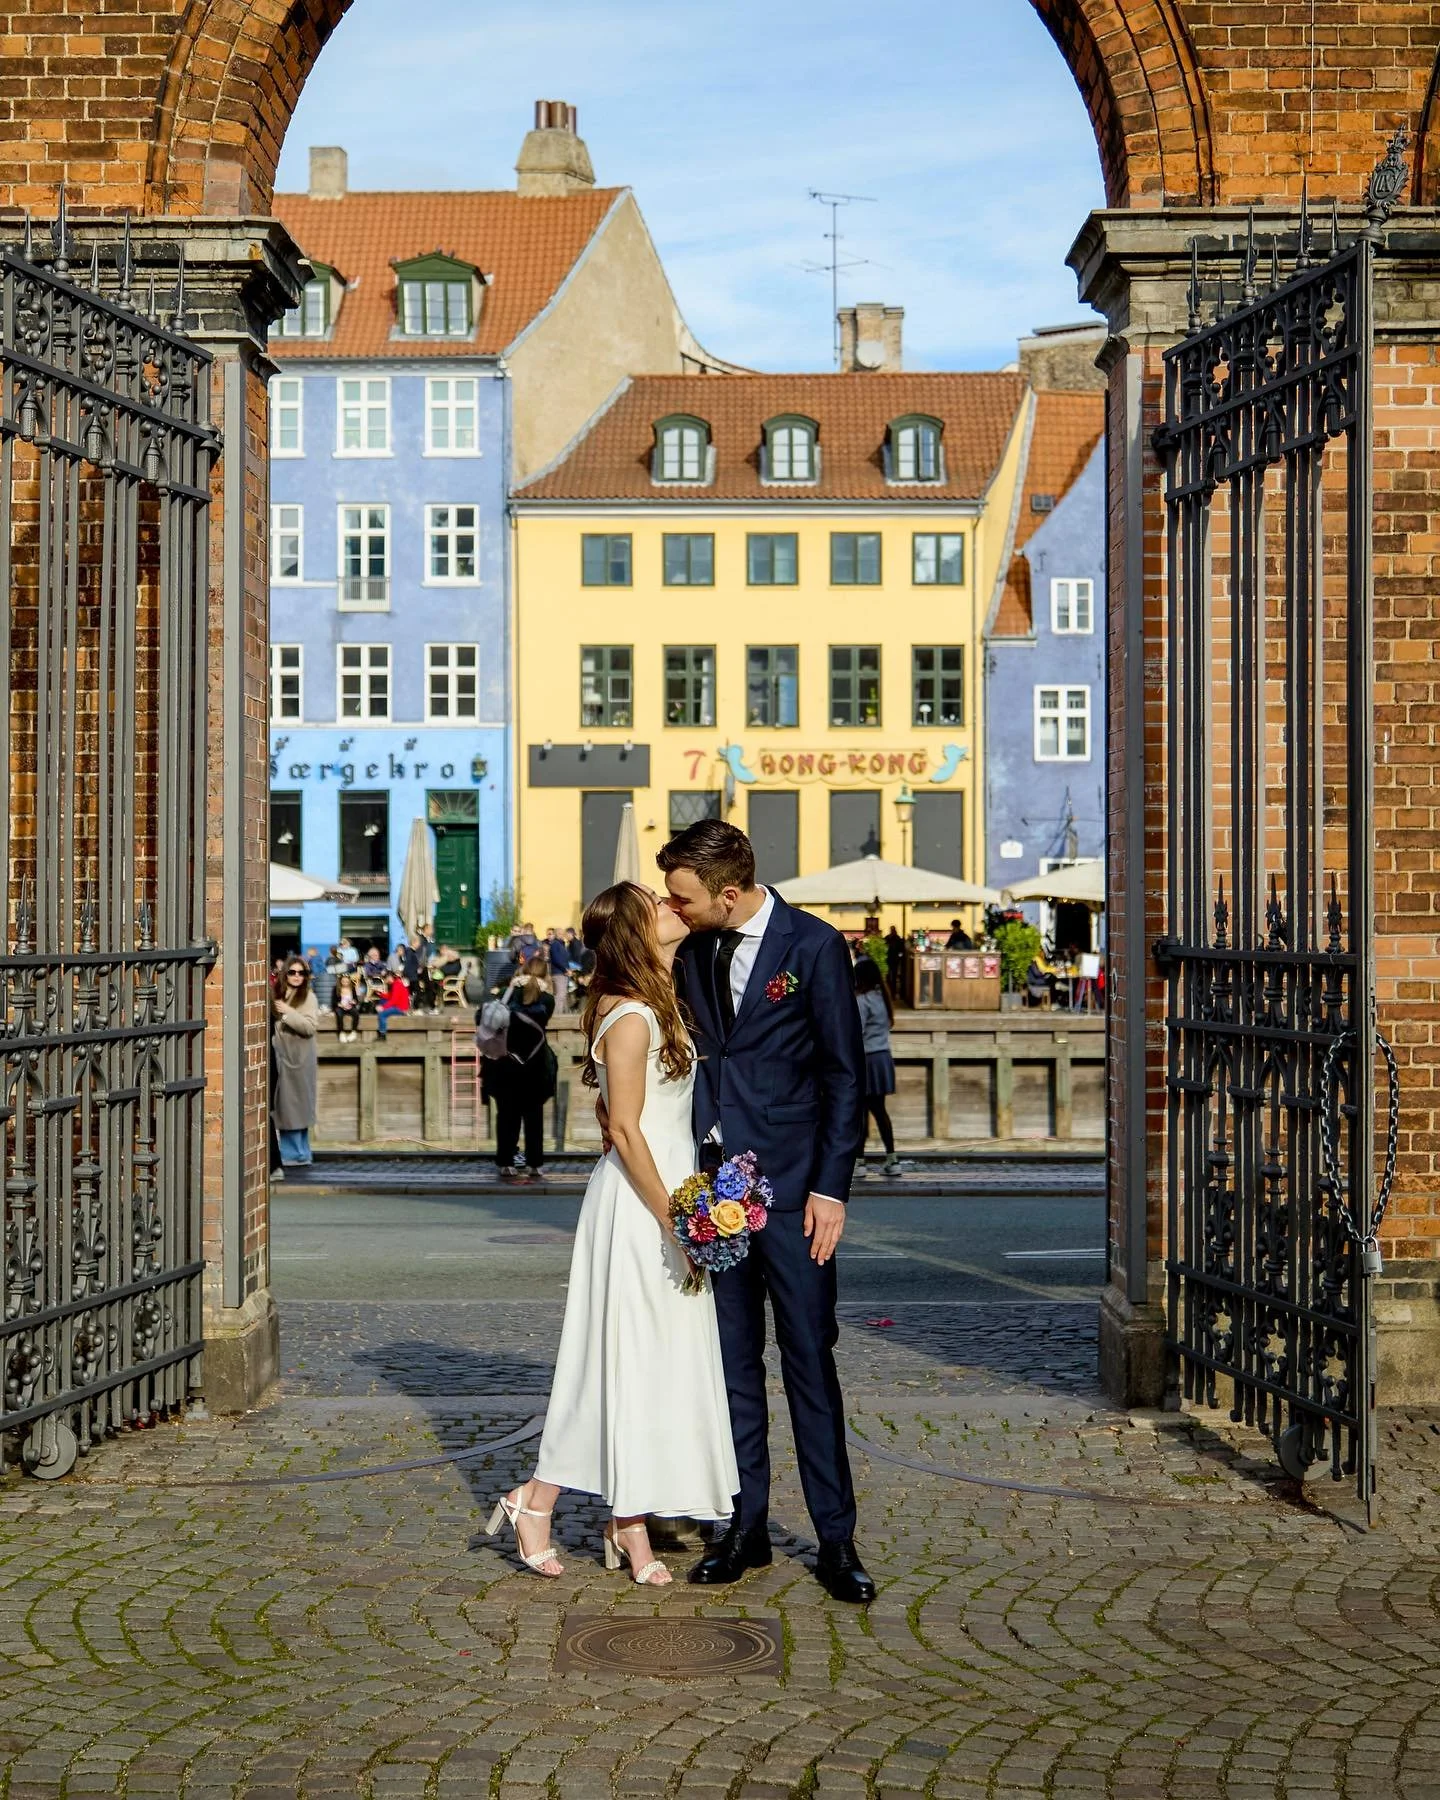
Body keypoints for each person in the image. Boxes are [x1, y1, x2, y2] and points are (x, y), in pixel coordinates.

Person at [488, 882, 737, 1583]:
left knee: (652, 1363)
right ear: (635, 930)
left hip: (663, 1193)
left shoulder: (655, 1000)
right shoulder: (630, 1015)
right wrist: (678, 1223)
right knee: (620, 1360)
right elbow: (625, 1129)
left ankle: (628, 1522)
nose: (672, 906)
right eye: (659, 903)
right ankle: (538, 1501)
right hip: (640, 1206)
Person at [656, 819, 876, 1605]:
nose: (673, 908)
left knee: (810, 1362)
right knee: (732, 1366)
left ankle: (837, 1539)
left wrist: (831, 1189)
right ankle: (745, 1527)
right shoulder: (695, 946)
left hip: (794, 1193)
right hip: (717, 1191)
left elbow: (845, 1077)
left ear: (728, 891)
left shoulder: (813, 947)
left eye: (683, 897)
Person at [482, 955, 557, 1182]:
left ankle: (506, 1162)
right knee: (534, 1118)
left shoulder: (511, 994)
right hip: (535, 1065)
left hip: (506, 1063)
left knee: (507, 1116)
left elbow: (493, 1016)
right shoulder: (547, 1000)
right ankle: (534, 1163)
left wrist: (510, 987)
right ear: (545, 974)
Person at [853, 957, 902, 1178]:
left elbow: (856, 1031)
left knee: (860, 1112)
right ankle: (892, 1158)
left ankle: (859, 1161)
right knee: (880, 1111)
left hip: (865, 1059)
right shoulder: (883, 997)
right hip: (882, 1056)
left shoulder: (862, 1001)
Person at [271, 958, 319, 1166]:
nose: (297, 976)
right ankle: (295, 1152)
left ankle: (297, 1153)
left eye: (301, 973)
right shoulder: (277, 994)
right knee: (284, 1106)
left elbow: (309, 1027)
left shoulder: (308, 997)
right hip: (281, 1057)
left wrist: (287, 1013)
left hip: (300, 1059)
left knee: (297, 1106)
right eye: (292, 972)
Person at [373, 970, 411, 1037]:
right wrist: (381, 994)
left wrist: (383, 1008)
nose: (385, 980)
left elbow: (393, 1000)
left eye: (385, 978)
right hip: (399, 1006)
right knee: (382, 1001)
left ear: (389, 977)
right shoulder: (396, 983)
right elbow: (390, 996)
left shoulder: (396, 985)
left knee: (382, 1014)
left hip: (401, 1008)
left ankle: (382, 1034)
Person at [547, 926, 571, 1013]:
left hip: (563, 973)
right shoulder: (555, 944)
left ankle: (562, 1014)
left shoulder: (562, 944)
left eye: (562, 933)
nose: (562, 935)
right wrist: (565, 969)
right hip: (558, 973)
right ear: (556, 934)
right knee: (560, 996)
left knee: (562, 995)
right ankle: (556, 1016)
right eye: (559, 933)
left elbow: (565, 959)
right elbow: (557, 959)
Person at [333, 971, 361, 1042]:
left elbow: (356, 1000)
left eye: (347, 982)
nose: (345, 983)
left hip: (350, 1006)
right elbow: (334, 1001)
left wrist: (353, 1002)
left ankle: (353, 1032)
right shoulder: (336, 988)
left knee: (356, 1013)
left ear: (349, 981)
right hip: (340, 1007)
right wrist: (340, 1005)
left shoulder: (352, 988)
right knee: (339, 1014)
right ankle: (341, 1033)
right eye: (343, 981)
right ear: (340, 981)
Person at [883, 925, 906, 1001]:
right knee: (890, 978)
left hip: (892, 961)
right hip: (891, 961)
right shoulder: (893, 938)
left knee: (892, 978)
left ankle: (892, 994)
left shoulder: (894, 938)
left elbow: (901, 950)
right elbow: (901, 951)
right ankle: (891, 994)